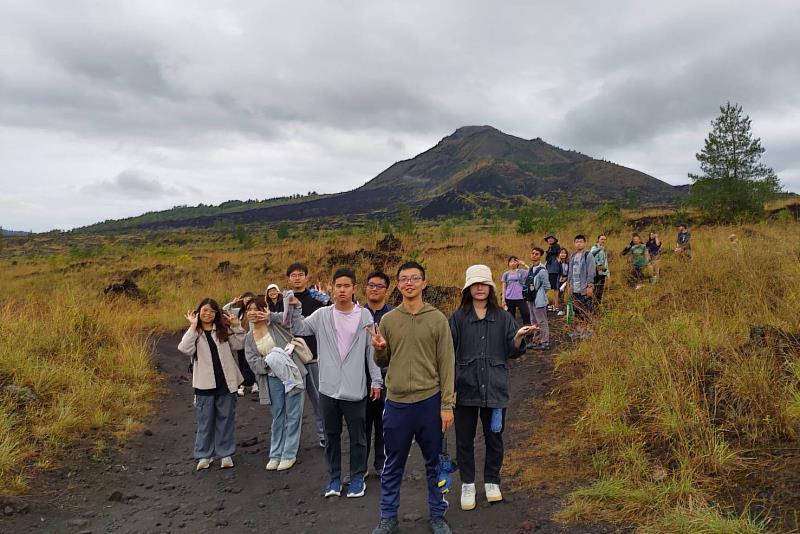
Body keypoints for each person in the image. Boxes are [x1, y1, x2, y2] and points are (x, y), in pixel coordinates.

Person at [368, 261, 455, 534]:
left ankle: (438, 515)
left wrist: (446, 405)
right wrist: (379, 349)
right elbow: (382, 361)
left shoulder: (437, 319)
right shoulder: (390, 320)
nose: (409, 283)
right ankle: (388, 516)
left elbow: (447, 364)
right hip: (396, 404)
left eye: (414, 278)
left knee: (435, 462)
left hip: (429, 401)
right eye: (404, 279)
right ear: (398, 284)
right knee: (393, 463)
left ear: (424, 282)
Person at [449, 265, 535, 512]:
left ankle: (491, 481)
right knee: (464, 440)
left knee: (494, 438)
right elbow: (447, 353)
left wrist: (518, 336)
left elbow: (512, 351)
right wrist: (450, 387)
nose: (479, 288)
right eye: (475, 284)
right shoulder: (457, 318)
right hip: (464, 390)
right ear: (468, 288)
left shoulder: (504, 317)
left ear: (490, 287)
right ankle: (467, 484)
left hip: (495, 389)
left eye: (483, 284)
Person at [293, 268, 383, 499]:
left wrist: (376, 380)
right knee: (331, 436)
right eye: (338, 286)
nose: (342, 290)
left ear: (354, 288)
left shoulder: (364, 316)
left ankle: (356, 477)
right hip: (329, 388)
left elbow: (370, 349)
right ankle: (334, 478)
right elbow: (299, 328)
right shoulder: (323, 315)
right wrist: (294, 307)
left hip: (355, 388)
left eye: (346, 286)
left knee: (358, 436)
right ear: (332, 288)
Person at [178, 298, 245, 471]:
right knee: (204, 421)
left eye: (211, 311)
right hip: (203, 384)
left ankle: (225, 454)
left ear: (216, 314)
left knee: (226, 419)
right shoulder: (195, 333)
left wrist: (236, 326)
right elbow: (184, 348)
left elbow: (240, 344)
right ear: (198, 312)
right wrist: (193, 326)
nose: (207, 313)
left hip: (226, 382)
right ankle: (204, 455)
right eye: (204, 310)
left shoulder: (222, 330)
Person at [242, 296, 306, 471]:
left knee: (293, 414)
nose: (253, 313)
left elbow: (291, 319)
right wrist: (270, 363)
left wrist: (271, 316)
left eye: (257, 308)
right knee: (278, 415)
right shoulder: (248, 337)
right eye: (249, 309)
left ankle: (289, 453)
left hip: (292, 374)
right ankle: (275, 453)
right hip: (271, 377)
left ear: (265, 309)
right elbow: (252, 360)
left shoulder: (276, 325)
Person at [285, 262, 327, 447]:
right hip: (290, 356)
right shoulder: (283, 299)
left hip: (314, 354)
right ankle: (289, 440)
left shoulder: (316, 298)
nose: (297, 278)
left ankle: (324, 434)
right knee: (290, 399)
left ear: (306, 277)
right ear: (288, 279)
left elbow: (330, 314)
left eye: (300, 274)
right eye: (293, 275)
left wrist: (328, 298)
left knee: (318, 397)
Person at [363, 271, 393, 478]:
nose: (374, 288)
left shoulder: (392, 315)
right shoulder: (357, 314)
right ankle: (360, 466)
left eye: (379, 285)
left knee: (384, 423)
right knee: (361, 424)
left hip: (386, 375)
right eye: (371, 284)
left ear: (386, 290)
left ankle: (382, 463)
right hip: (360, 376)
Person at [223, 292, 258, 397]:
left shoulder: (255, 311)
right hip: (241, 340)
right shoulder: (240, 312)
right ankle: (243, 385)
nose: (247, 300)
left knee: (252, 362)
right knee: (242, 362)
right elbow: (225, 310)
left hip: (253, 340)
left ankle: (254, 384)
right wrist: (233, 303)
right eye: (245, 298)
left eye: (249, 298)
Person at [567, 235, 597, 339]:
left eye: (581, 241)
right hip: (574, 288)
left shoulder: (588, 255)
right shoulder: (572, 256)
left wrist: (590, 285)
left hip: (584, 288)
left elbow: (591, 271)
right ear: (574, 243)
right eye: (577, 242)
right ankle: (579, 331)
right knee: (577, 310)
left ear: (584, 243)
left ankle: (588, 331)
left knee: (586, 310)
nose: (578, 243)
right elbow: (570, 272)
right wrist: (569, 285)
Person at [524, 247, 551, 350]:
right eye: (533, 253)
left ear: (540, 256)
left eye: (536, 254)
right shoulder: (531, 268)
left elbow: (547, 286)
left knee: (542, 321)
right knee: (534, 321)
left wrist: (540, 294)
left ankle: (545, 342)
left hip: (538, 300)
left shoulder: (542, 270)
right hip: (530, 298)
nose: (534, 255)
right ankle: (536, 341)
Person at [500, 256, 531, 326]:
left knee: (526, 314)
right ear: (508, 263)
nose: (513, 263)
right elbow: (504, 287)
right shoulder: (506, 274)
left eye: (515, 261)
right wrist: (503, 300)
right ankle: (512, 333)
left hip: (520, 297)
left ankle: (528, 332)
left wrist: (524, 264)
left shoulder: (521, 272)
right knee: (510, 317)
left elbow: (531, 272)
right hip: (509, 298)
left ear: (517, 263)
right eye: (511, 262)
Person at [544, 235, 562, 312]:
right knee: (548, 287)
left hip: (554, 270)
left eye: (551, 239)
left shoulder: (556, 246)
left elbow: (558, 255)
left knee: (555, 288)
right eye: (548, 239)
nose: (550, 240)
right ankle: (548, 303)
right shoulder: (550, 248)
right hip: (549, 269)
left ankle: (556, 305)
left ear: (554, 240)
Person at [590, 235, 609, 305]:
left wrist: (607, 273)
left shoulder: (604, 249)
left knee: (601, 291)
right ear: (598, 240)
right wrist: (599, 249)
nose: (603, 241)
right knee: (596, 290)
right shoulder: (594, 247)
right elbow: (591, 254)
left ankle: (598, 305)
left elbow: (606, 261)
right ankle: (593, 305)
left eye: (604, 239)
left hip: (603, 273)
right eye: (602, 239)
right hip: (596, 273)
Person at [556, 248, 569, 316]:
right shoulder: (558, 262)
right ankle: (561, 310)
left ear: (566, 254)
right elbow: (558, 272)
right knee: (560, 295)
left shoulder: (569, 262)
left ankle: (571, 310)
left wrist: (566, 278)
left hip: (568, 279)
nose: (563, 254)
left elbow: (570, 271)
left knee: (570, 294)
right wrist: (559, 263)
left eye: (564, 253)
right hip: (560, 279)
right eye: (561, 253)